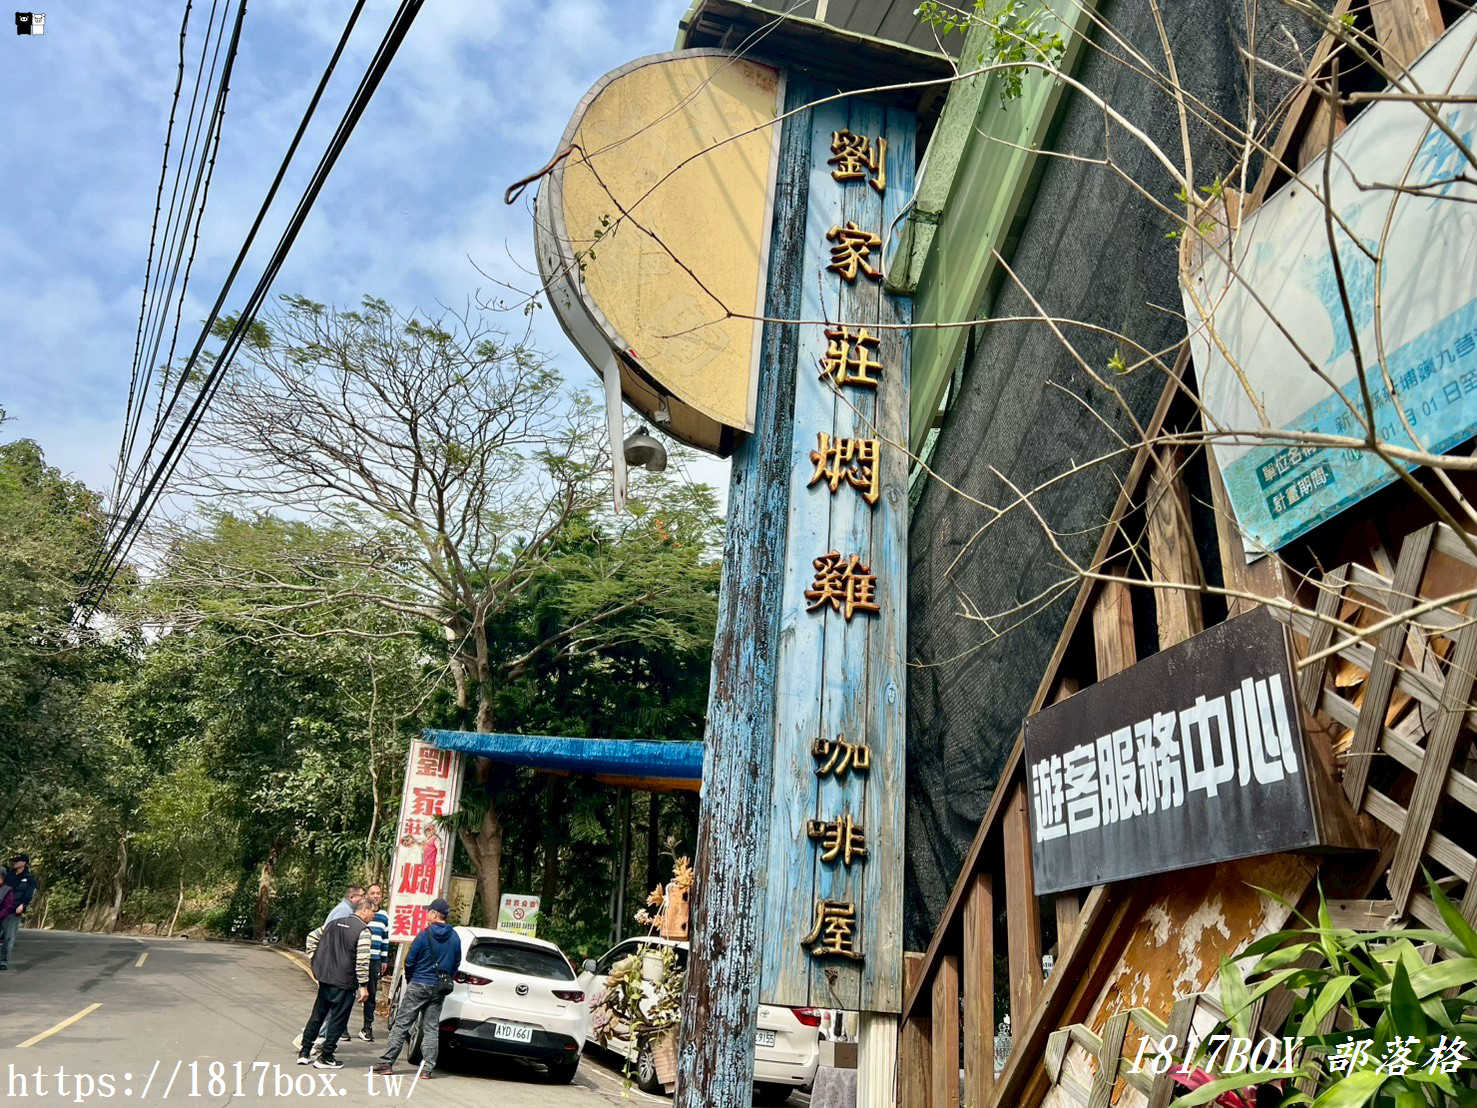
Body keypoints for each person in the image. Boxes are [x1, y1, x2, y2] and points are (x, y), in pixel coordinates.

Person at [372, 899, 460, 1079]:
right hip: (438, 988)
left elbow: (410, 961)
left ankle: (387, 1063)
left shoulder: (424, 935)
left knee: (402, 1023)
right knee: (431, 1027)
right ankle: (427, 1069)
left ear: (435, 914)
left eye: (429, 912)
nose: (427, 914)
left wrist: (412, 978)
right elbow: (456, 963)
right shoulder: (455, 937)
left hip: (419, 983)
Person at [297, 902, 373, 1070]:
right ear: (364, 910)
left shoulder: (332, 924)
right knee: (338, 1020)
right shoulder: (363, 931)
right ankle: (326, 1056)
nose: (373, 917)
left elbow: (311, 937)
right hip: (345, 982)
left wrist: (315, 960)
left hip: (326, 978)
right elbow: (362, 961)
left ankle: (304, 1051)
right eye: (372, 912)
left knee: (317, 1015)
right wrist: (363, 985)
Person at [357, 884, 390, 1042]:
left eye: (378, 893)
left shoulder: (384, 915)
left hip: (375, 960)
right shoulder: (361, 913)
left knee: (371, 995)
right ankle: (341, 1029)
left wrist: (384, 959)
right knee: (350, 993)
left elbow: (385, 939)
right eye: (373, 893)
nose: (376, 896)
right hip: (358, 959)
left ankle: (367, 1028)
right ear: (367, 896)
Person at [1, 854, 38, 971]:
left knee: (8, 937)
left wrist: (23, 904)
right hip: (2, 908)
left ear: (24, 863)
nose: (15, 863)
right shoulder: (8, 875)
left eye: (17, 861)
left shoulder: (29, 878)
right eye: (14, 861)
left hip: (14, 911)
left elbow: (29, 894)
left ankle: (3, 961)